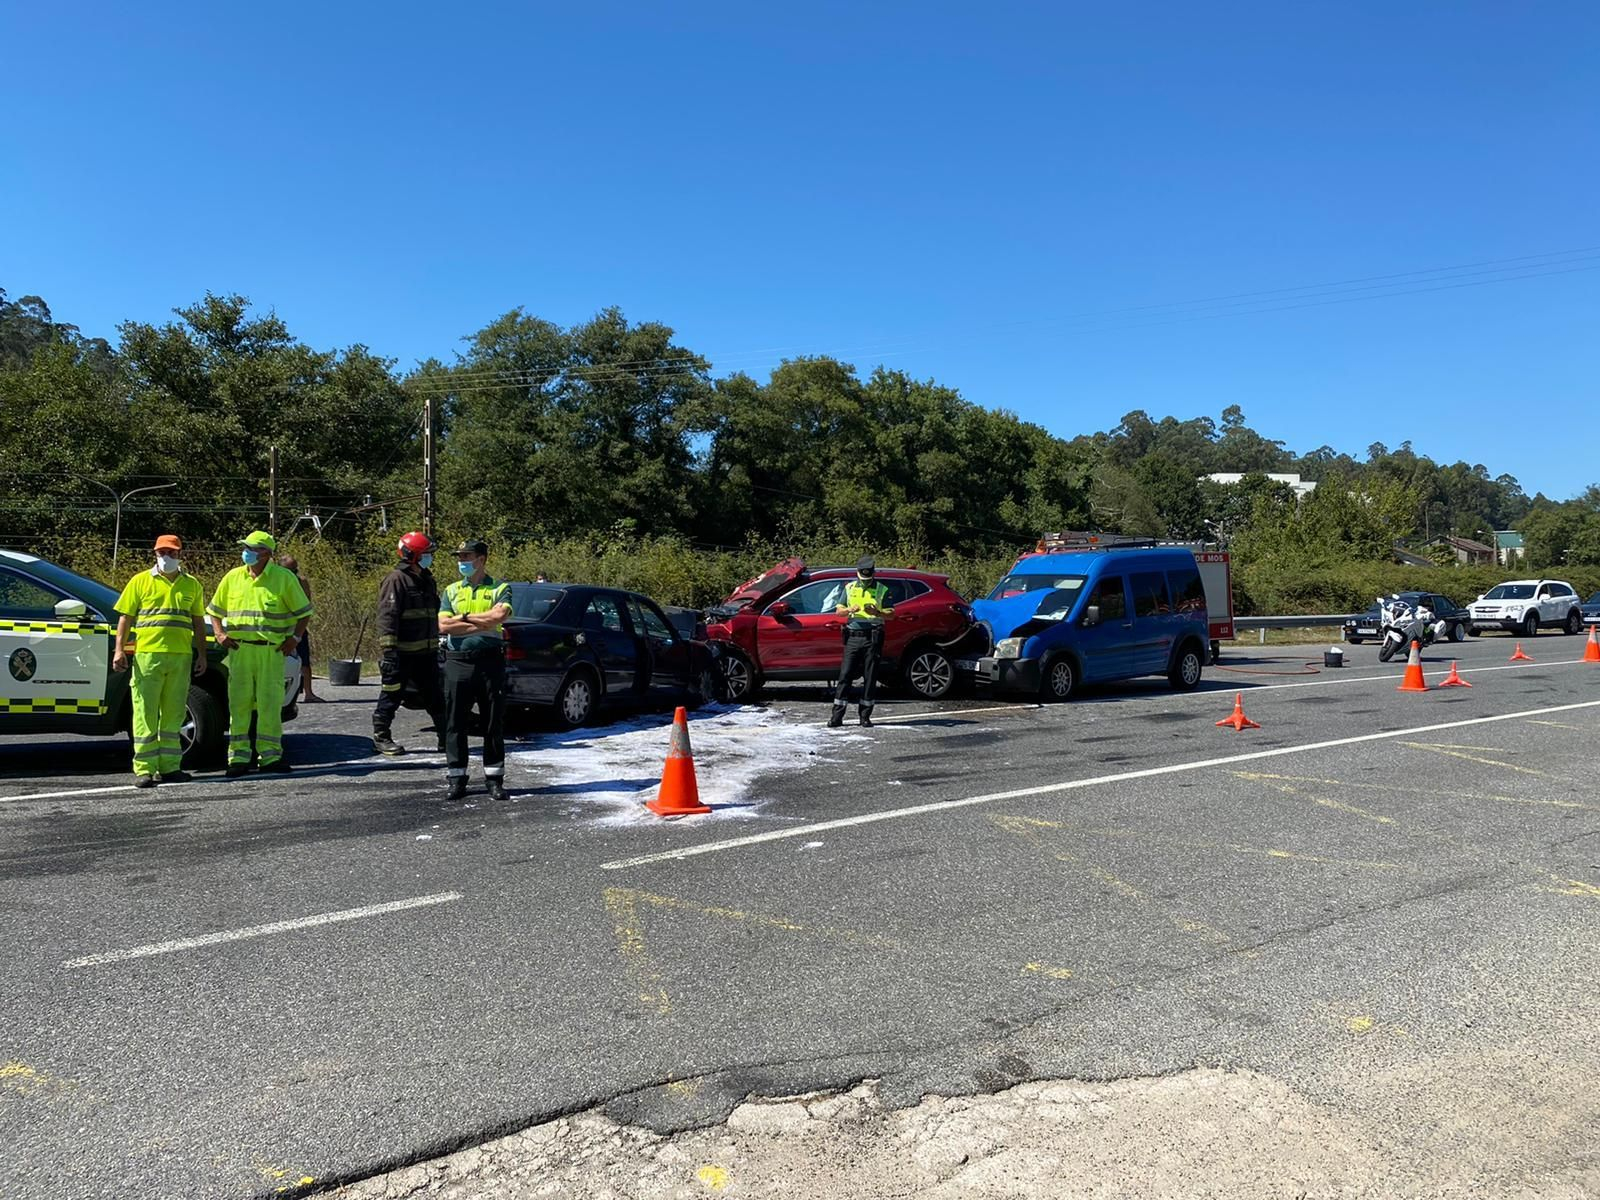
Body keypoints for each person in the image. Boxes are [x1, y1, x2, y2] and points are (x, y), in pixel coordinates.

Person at [206, 530, 313, 777]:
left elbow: (304, 612)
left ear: (267, 553)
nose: (246, 552)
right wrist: (220, 634)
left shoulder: (283, 578)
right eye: (245, 548)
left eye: (252, 548)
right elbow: (214, 610)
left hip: (270, 652)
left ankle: (270, 757)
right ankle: (238, 758)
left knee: (269, 706)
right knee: (239, 706)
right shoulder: (233, 577)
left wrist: (295, 638)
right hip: (240, 652)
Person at [111, 534, 207, 787]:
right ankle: (144, 769)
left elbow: (198, 622)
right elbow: (125, 618)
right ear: (155, 554)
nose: (166, 557)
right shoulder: (140, 581)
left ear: (180, 554)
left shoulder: (192, 584)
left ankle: (170, 767)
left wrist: (202, 654)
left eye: (171, 553)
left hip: (180, 657)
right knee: (145, 713)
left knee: (174, 714)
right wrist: (118, 650)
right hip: (148, 657)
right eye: (162, 552)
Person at [438, 537, 512, 801]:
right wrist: (478, 622)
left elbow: (498, 618)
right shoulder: (451, 590)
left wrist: (464, 619)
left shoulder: (500, 588)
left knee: (493, 721)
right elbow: (444, 627)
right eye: (459, 558)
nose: (461, 562)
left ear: (481, 559)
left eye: (466, 557)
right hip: (458, 660)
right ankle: (456, 778)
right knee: (455, 722)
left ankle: (494, 779)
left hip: (489, 660)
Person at [371, 531, 445, 756]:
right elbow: (387, 616)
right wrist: (389, 651)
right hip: (402, 653)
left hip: (427, 652)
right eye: (426, 554)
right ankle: (381, 737)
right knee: (391, 694)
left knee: (435, 696)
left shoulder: (426, 578)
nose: (429, 558)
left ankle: (446, 737)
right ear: (412, 555)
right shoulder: (396, 579)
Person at [829, 555, 894, 729]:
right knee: (845, 676)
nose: (865, 580)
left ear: (873, 573)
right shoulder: (849, 588)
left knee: (870, 677)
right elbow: (839, 612)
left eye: (868, 577)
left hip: (872, 637)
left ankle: (865, 716)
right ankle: (837, 716)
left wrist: (877, 612)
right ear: (857, 573)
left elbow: (892, 614)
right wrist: (849, 609)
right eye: (862, 577)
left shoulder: (882, 589)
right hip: (853, 636)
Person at [278, 554, 321, 702]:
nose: (294, 574)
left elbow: (306, 606)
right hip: (280, 629)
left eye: (295, 570)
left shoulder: (301, 582)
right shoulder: (275, 582)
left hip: (298, 628)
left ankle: (308, 693)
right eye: (291, 571)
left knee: (305, 661)